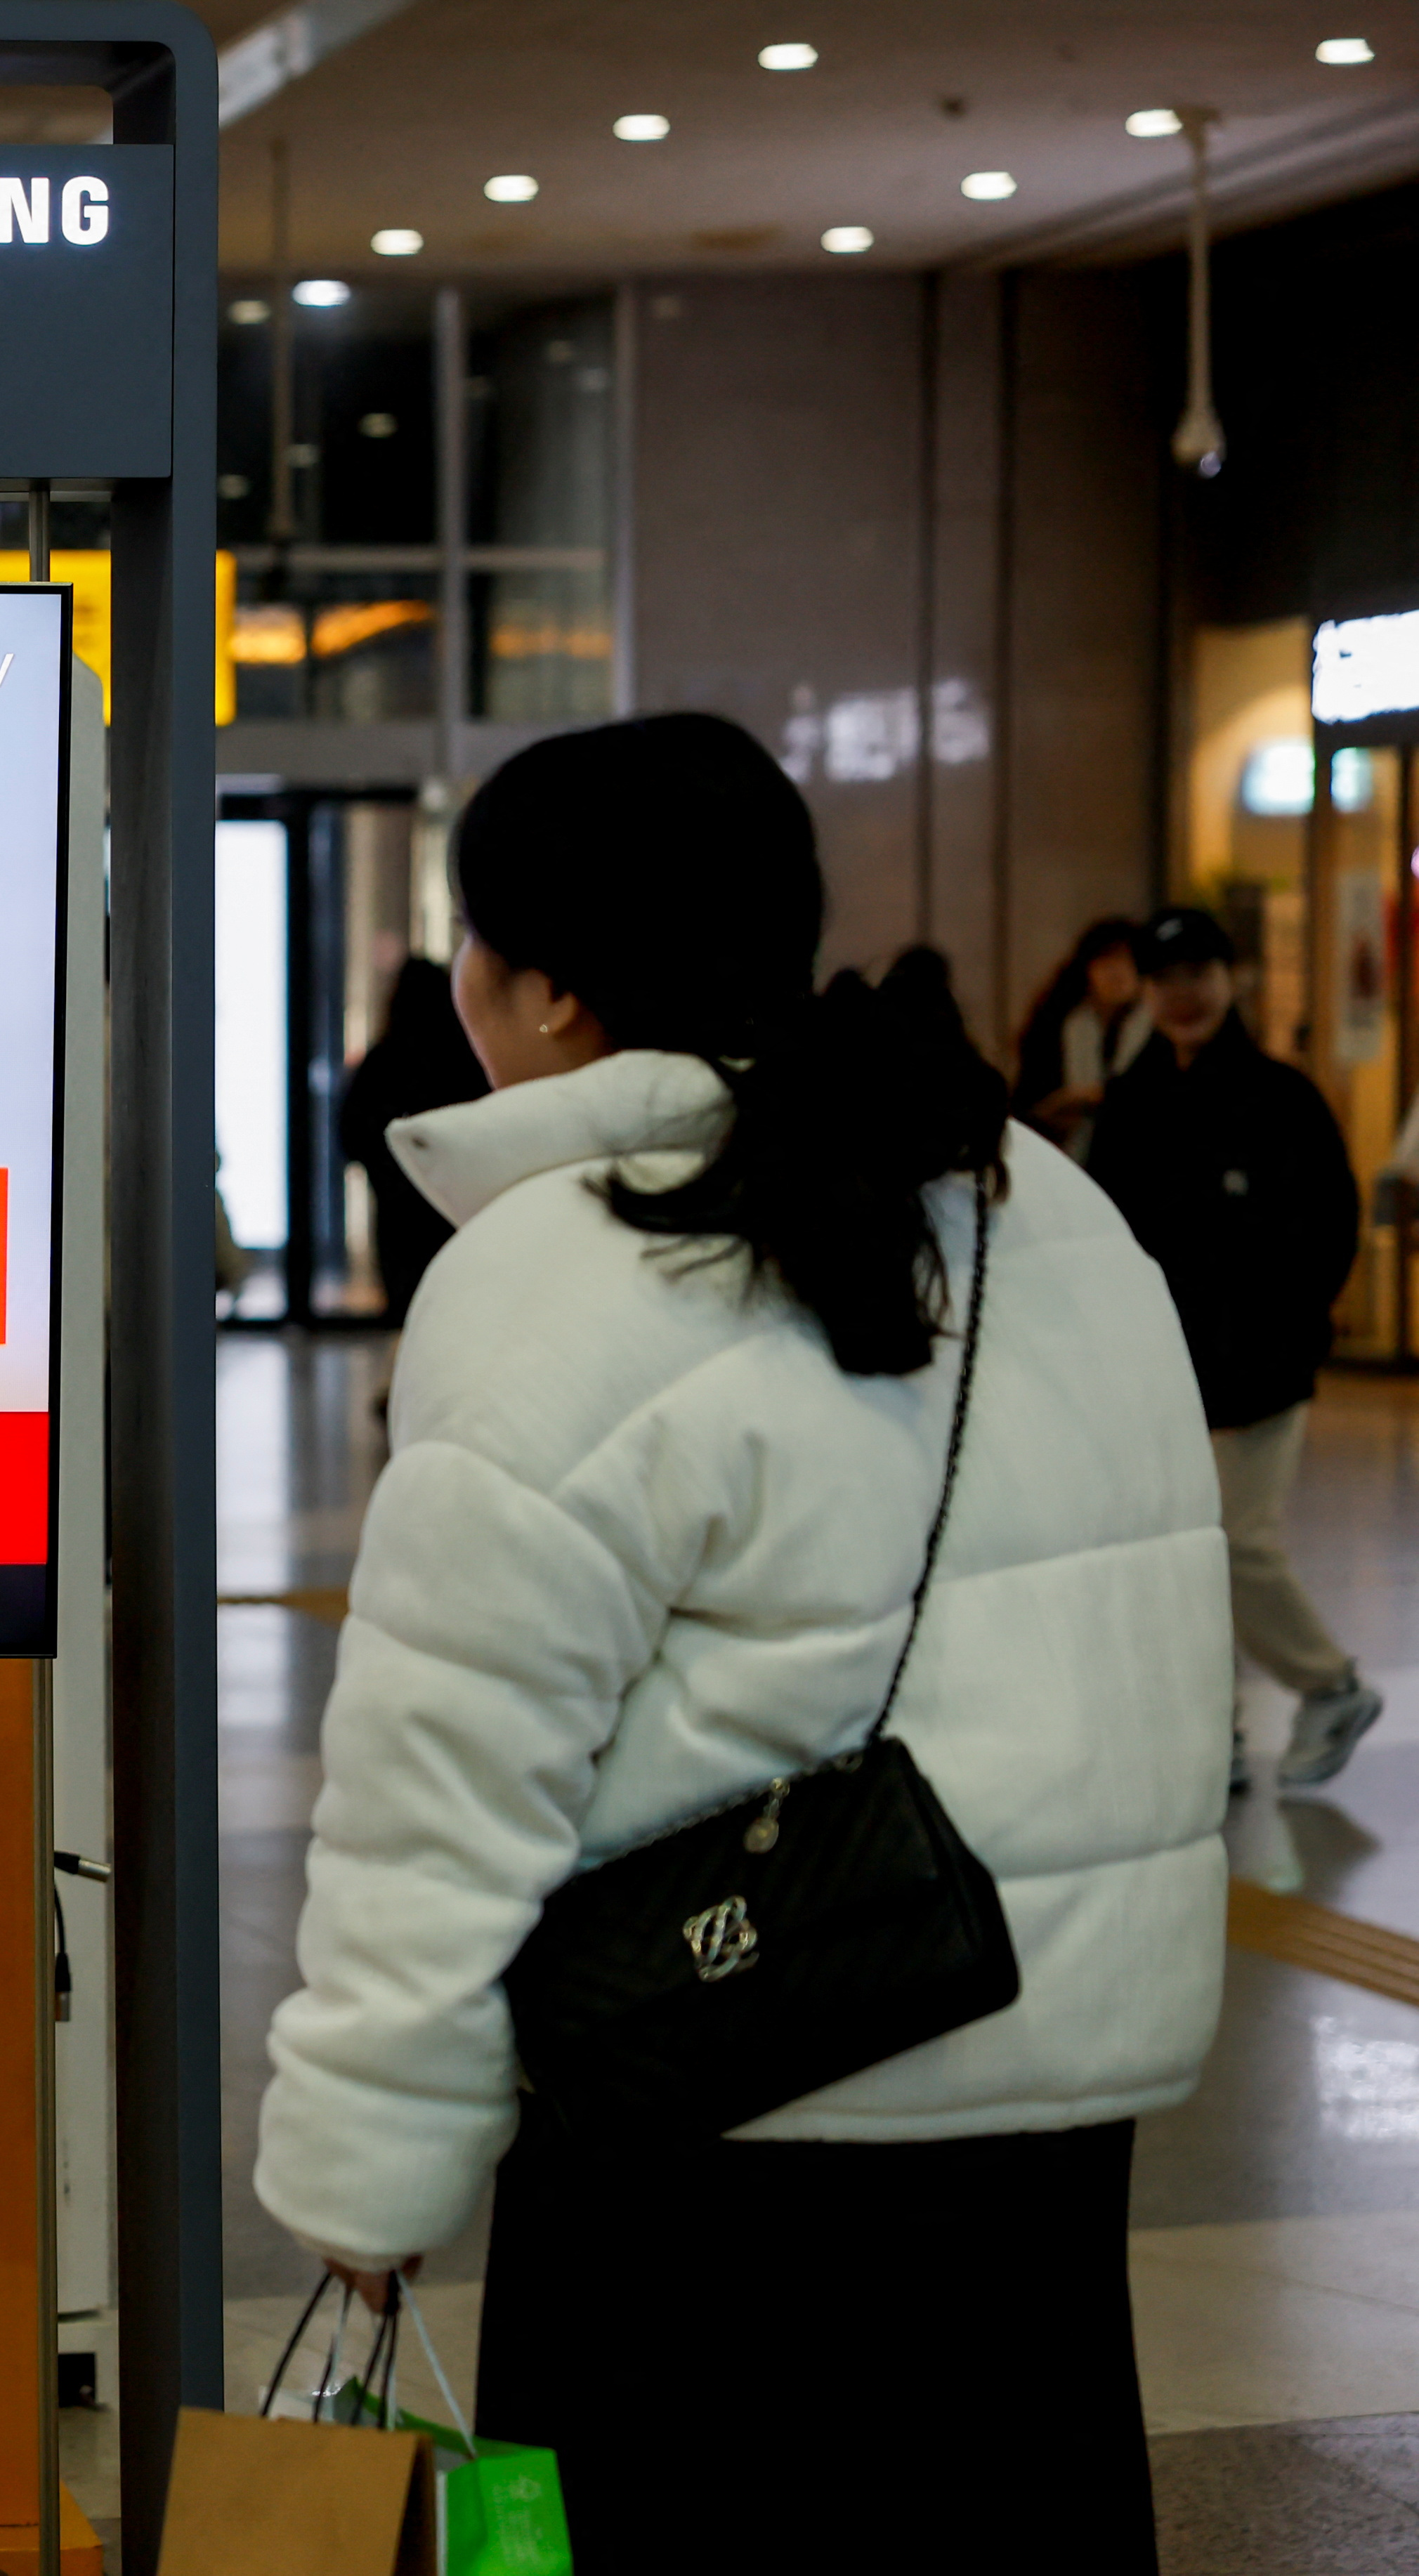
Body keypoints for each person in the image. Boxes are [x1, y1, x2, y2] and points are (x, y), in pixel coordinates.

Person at [256, 714, 1227, 2575]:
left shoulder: (561, 1266)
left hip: (704, 2133)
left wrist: (368, 2158)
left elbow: (449, 1770)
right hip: (1042, 2114)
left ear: (547, 988)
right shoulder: (1042, 1206)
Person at [1091, 906, 1383, 1789]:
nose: (1182, 995)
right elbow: (1105, 1231)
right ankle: (1208, 1730)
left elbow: (1330, 1222)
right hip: (1163, 1370)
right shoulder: (1132, 1102)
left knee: (1232, 1542)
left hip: (1259, 1366)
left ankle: (1327, 1684)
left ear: (1232, 979)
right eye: (1163, 979)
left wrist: (1293, 1324)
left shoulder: (1280, 1098)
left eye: (1198, 974)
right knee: (1184, 1550)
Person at [335, 956, 486, 1321]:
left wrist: (385, 1169)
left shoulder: (383, 1062)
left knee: (407, 1309)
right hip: (455, 1203)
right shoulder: (464, 1061)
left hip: (398, 1213)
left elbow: (352, 1132)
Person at [1012, 915, 1149, 1161]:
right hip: (1064, 1157)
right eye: (1106, 962)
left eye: (1127, 961)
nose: (1116, 972)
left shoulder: (1160, 1027)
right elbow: (1026, 1106)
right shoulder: (1058, 1025)